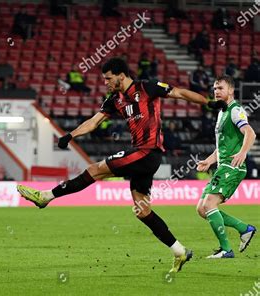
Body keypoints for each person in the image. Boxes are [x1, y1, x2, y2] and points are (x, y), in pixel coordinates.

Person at [17, 57, 227, 273]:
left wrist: (209, 103)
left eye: (108, 78)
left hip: (147, 153)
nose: (106, 82)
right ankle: (180, 251)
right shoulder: (115, 99)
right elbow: (94, 122)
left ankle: (46, 197)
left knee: (94, 170)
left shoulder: (148, 87)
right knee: (142, 211)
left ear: (121, 75)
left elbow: (181, 93)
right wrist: (70, 135)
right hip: (142, 157)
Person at [196, 75, 257, 258]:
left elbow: (250, 133)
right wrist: (209, 160)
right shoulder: (222, 112)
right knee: (201, 208)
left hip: (232, 167)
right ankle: (244, 228)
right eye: (214, 88)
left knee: (209, 204)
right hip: (222, 165)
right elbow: (222, 147)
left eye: (220, 88)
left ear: (230, 90)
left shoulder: (235, 109)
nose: (216, 91)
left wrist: (243, 152)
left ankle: (226, 249)